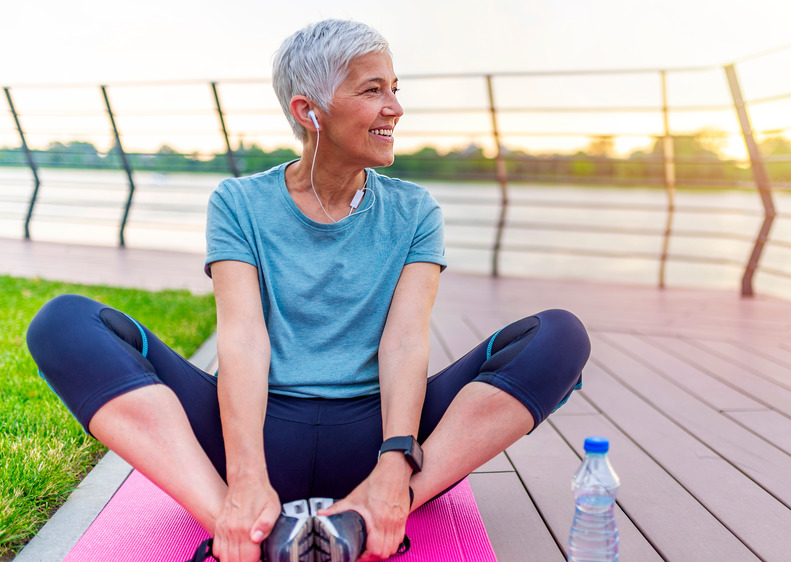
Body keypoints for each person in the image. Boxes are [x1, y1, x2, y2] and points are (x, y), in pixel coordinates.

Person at [26, 19, 590, 562]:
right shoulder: (239, 202)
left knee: (561, 337)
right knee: (63, 323)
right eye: (373, 90)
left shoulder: (416, 211)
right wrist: (246, 477)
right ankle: (236, 519)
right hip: (252, 437)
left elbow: (403, 344)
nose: (395, 107)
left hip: (379, 444)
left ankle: (372, 513)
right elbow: (243, 337)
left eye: (395, 89)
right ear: (308, 111)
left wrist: (396, 464)